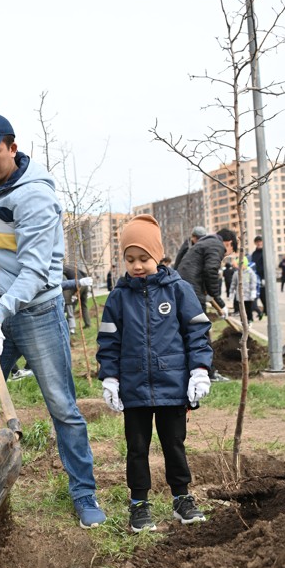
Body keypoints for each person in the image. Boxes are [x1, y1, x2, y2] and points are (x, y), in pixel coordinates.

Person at [0, 111, 105, 528]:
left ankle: (84, 494)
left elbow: (34, 272)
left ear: (12, 147)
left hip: (36, 312)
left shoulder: (34, 197)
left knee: (62, 406)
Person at [97, 215, 213, 533]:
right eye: (130, 259)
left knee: (174, 444)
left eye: (144, 258)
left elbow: (197, 334)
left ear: (158, 256)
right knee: (137, 447)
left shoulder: (178, 291)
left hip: (172, 386)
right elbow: (108, 341)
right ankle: (139, 503)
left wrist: (199, 370)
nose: (137, 265)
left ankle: (182, 497)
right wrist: (110, 377)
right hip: (134, 389)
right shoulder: (118, 298)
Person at [176, 227, 237, 383]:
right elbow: (210, 270)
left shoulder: (204, 244)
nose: (224, 255)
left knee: (189, 331)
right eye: (227, 253)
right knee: (200, 331)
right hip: (191, 291)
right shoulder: (216, 245)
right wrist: (220, 301)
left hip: (185, 289)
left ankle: (191, 370)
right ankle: (208, 372)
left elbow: (201, 270)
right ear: (228, 243)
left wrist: (208, 294)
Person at [230, 257, 258, 322]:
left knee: (248, 309)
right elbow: (233, 283)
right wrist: (231, 292)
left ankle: (250, 320)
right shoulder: (236, 273)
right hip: (240, 296)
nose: (238, 266)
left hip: (248, 296)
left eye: (239, 264)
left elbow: (253, 282)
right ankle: (243, 321)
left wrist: (253, 291)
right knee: (242, 310)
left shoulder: (250, 272)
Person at [250, 235, 267, 314]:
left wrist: (265, 278)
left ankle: (267, 311)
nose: (259, 243)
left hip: (265, 277)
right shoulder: (254, 254)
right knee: (258, 295)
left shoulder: (266, 252)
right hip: (257, 277)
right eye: (257, 242)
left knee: (264, 295)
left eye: (260, 241)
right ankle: (263, 311)